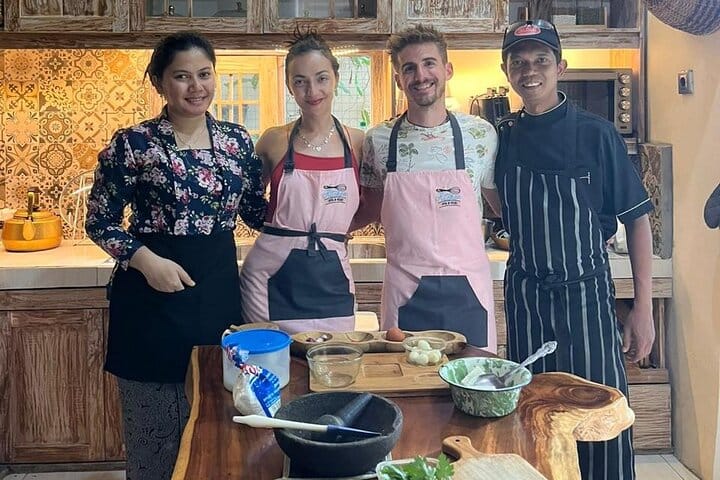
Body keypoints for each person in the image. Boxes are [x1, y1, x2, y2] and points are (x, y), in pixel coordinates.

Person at [85, 31, 266, 480]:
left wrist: (322, 204)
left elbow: (256, 212)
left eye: (204, 74)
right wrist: (146, 262)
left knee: (218, 423)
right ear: (159, 82)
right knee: (154, 433)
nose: (196, 86)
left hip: (217, 296)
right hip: (151, 299)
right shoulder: (134, 143)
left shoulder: (237, 142)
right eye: (182, 76)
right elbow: (100, 221)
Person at [495, 19, 656, 479]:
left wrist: (642, 308)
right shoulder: (503, 135)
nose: (530, 71)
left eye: (541, 60)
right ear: (507, 71)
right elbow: (497, 201)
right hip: (527, 300)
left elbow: (638, 220)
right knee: (532, 418)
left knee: (599, 417)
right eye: (519, 62)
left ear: (560, 67)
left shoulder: (596, 134)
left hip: (586, 299)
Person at [355, 24, 499, 351]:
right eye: (409, 68)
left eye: (429, 63)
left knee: (474, 377)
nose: (420, 75)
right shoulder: (378, 140)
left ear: (447, 70)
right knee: (405, 377)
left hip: (470, 293)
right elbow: (370, 208)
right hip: (406, 292)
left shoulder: (481, 135)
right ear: (398, 79)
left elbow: (501, 205)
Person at [240, 28, 365, 334]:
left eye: (321, 78)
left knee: (337, 359)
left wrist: (334, 233)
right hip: (270, 280)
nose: (312, 91)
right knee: (271, 361)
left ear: (335, 78)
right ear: (289, 87)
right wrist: (285, 232)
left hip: (332, 279)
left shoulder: (359, 143)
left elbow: (372, 205)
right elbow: (246, 201)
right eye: (300, 81)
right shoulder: (274, 140)